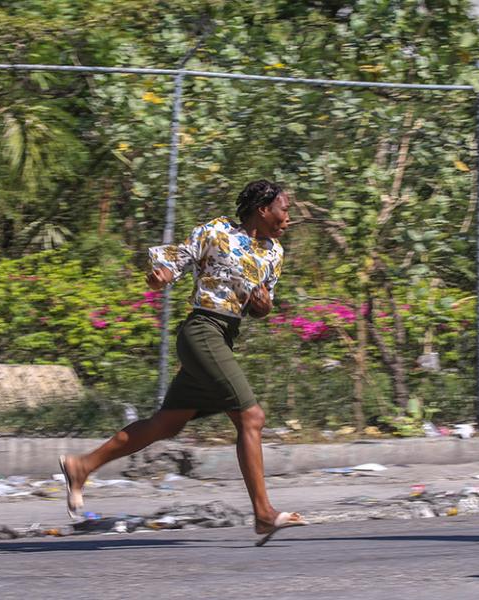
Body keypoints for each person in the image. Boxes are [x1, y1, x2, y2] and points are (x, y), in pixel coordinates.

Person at [58, 179, 305, 546]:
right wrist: (160, 277)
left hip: (224, 336)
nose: (289, 217)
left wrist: (263, 305)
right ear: (263, 209)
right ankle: (264, 514)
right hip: (201, 331)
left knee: (167, 424)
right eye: (284, 209)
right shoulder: (217, 232)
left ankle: (82, 466)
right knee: (251, 417)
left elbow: (261, 307)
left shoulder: (274, 253)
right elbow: (177, 261)